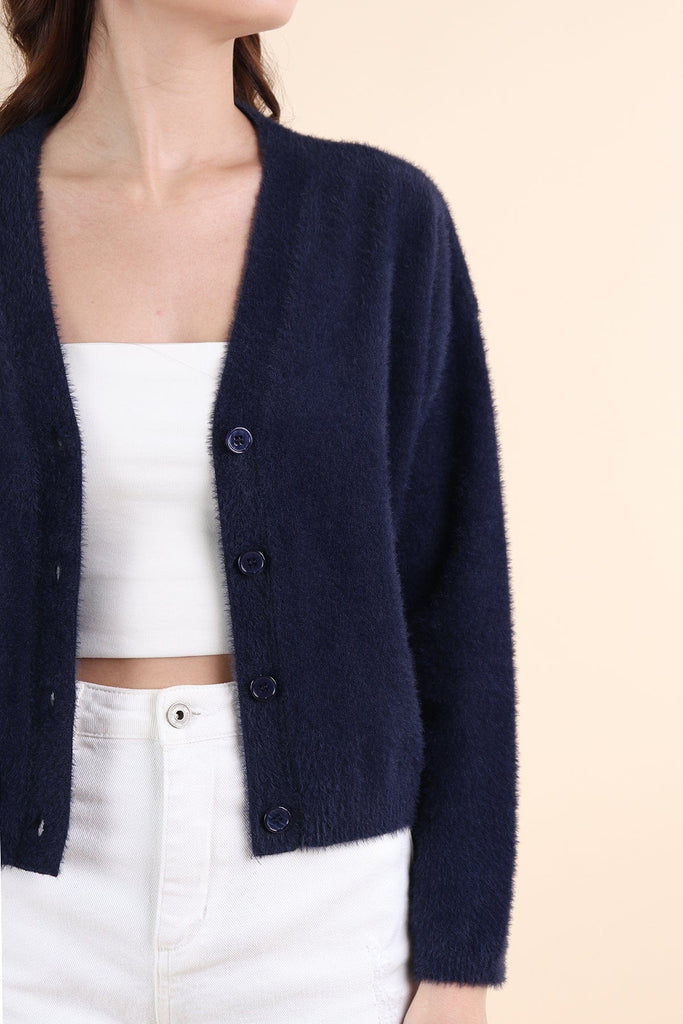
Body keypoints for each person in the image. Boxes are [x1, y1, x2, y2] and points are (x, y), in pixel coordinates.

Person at [0, 2, 519, 1022]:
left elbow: (454, 603)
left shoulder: (379, 220)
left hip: (318, 906)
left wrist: (459, 960)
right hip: (24, 904)